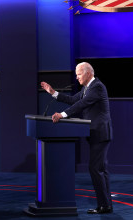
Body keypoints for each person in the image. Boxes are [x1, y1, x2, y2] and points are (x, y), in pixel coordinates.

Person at [41, 62, 113, 214]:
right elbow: (74, 100)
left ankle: (104, 205)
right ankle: (106, 204)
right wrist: (53, 93)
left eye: (79, 74)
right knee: (100, 170)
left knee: (96, 169)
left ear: (88, 73)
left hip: (100, 133)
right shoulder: (87, 88)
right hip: (96, 134)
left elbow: (82, 104)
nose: (77, 77)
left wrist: (62, 114)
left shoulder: (97, 87)